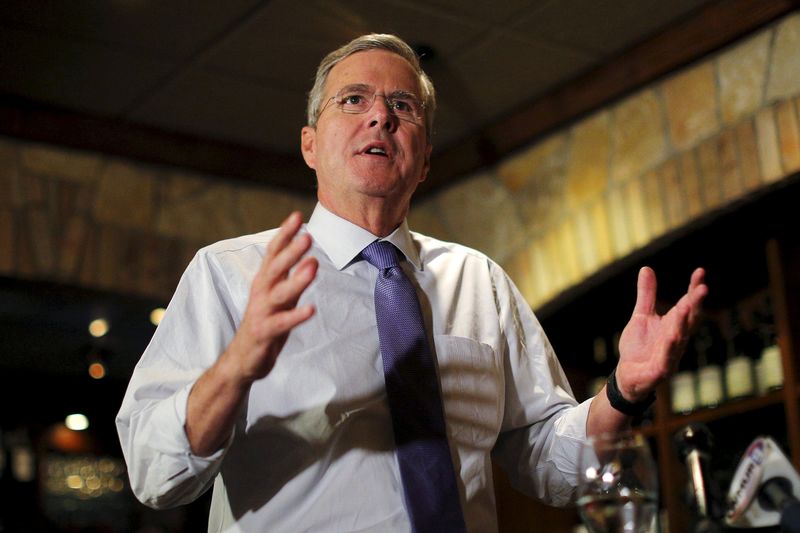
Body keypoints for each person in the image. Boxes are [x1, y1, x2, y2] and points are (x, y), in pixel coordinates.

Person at [116, 33, 707, 532]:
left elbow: (550, 467)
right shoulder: (230, 274)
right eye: (353, 100)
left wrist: (624, 391)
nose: (380, 116)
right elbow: (152, 473)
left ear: (423, 159)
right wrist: (238, 363)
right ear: (309, 145)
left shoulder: (480, 283)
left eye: (403, 105)